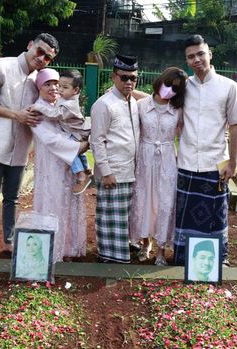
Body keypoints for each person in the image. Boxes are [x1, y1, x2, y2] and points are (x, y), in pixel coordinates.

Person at [0, 33, 59, 259]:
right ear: (30, 45)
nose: (41, 59)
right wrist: (15, 115)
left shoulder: (38, 80)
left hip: (20, 149)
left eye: (48, 58)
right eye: (40, 51)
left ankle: (9, 243)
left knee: (12, 198)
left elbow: (47, 106)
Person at [174, 34, 237, 266]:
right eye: (191, 57)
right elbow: (157, 99)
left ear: (210, 54)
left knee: (215, 214)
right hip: (186, 162)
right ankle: (182, 259)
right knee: (185, 213)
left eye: (200, 54)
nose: (196, 59)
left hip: (215, 162)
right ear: (186, 61)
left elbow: (235, 126)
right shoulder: (183, 87)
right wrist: (128, 93)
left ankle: (216, 261)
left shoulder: (228, 87)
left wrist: (233, 163)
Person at [129, 67, 188, 266]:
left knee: (164, 203)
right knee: (144, 200)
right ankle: (146, 243)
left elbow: (184, 136)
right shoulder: (140, 105)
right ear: (161, 80)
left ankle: (161, 249)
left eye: (175, 88)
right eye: (168, 84)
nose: (170, 89)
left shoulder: (177, 110)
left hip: (167, 160)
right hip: (144, 158)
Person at [31, 70, 87, 262]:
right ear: (39, 86)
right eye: (48, 84)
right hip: (50, 166)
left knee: (68, 204)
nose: (54, 88)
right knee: (53, 204)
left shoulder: (60, 105)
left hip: (66, 164)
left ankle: (69, 248)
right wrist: (80, 146)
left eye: (57, 84)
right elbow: (51, 140)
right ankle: (52, 250)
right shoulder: (37, 110)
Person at [90, 54, 140, 263]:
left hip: (130, 171)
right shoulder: (104, 104)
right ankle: (110, 256)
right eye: (124, 77)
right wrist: (106, 171)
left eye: (133, 78)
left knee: (123, 218)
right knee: (110, 218)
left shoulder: (133, 102)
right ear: (114, 77)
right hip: (113, 172)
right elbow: (97, 141)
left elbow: (158, 96)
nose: (128, 82)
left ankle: (121, 252)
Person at [30, 69, 92, 195]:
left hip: (77, 133)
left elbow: (54, 114)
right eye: (59, 86)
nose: (58, 89)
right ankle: (86, 169)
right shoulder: (63, 99)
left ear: (75, 90)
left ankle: (81, 175)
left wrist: (38, 107)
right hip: (74, 132)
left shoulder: (69, 104)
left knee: (72, 150)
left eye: (64, 87)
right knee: (76, 152)